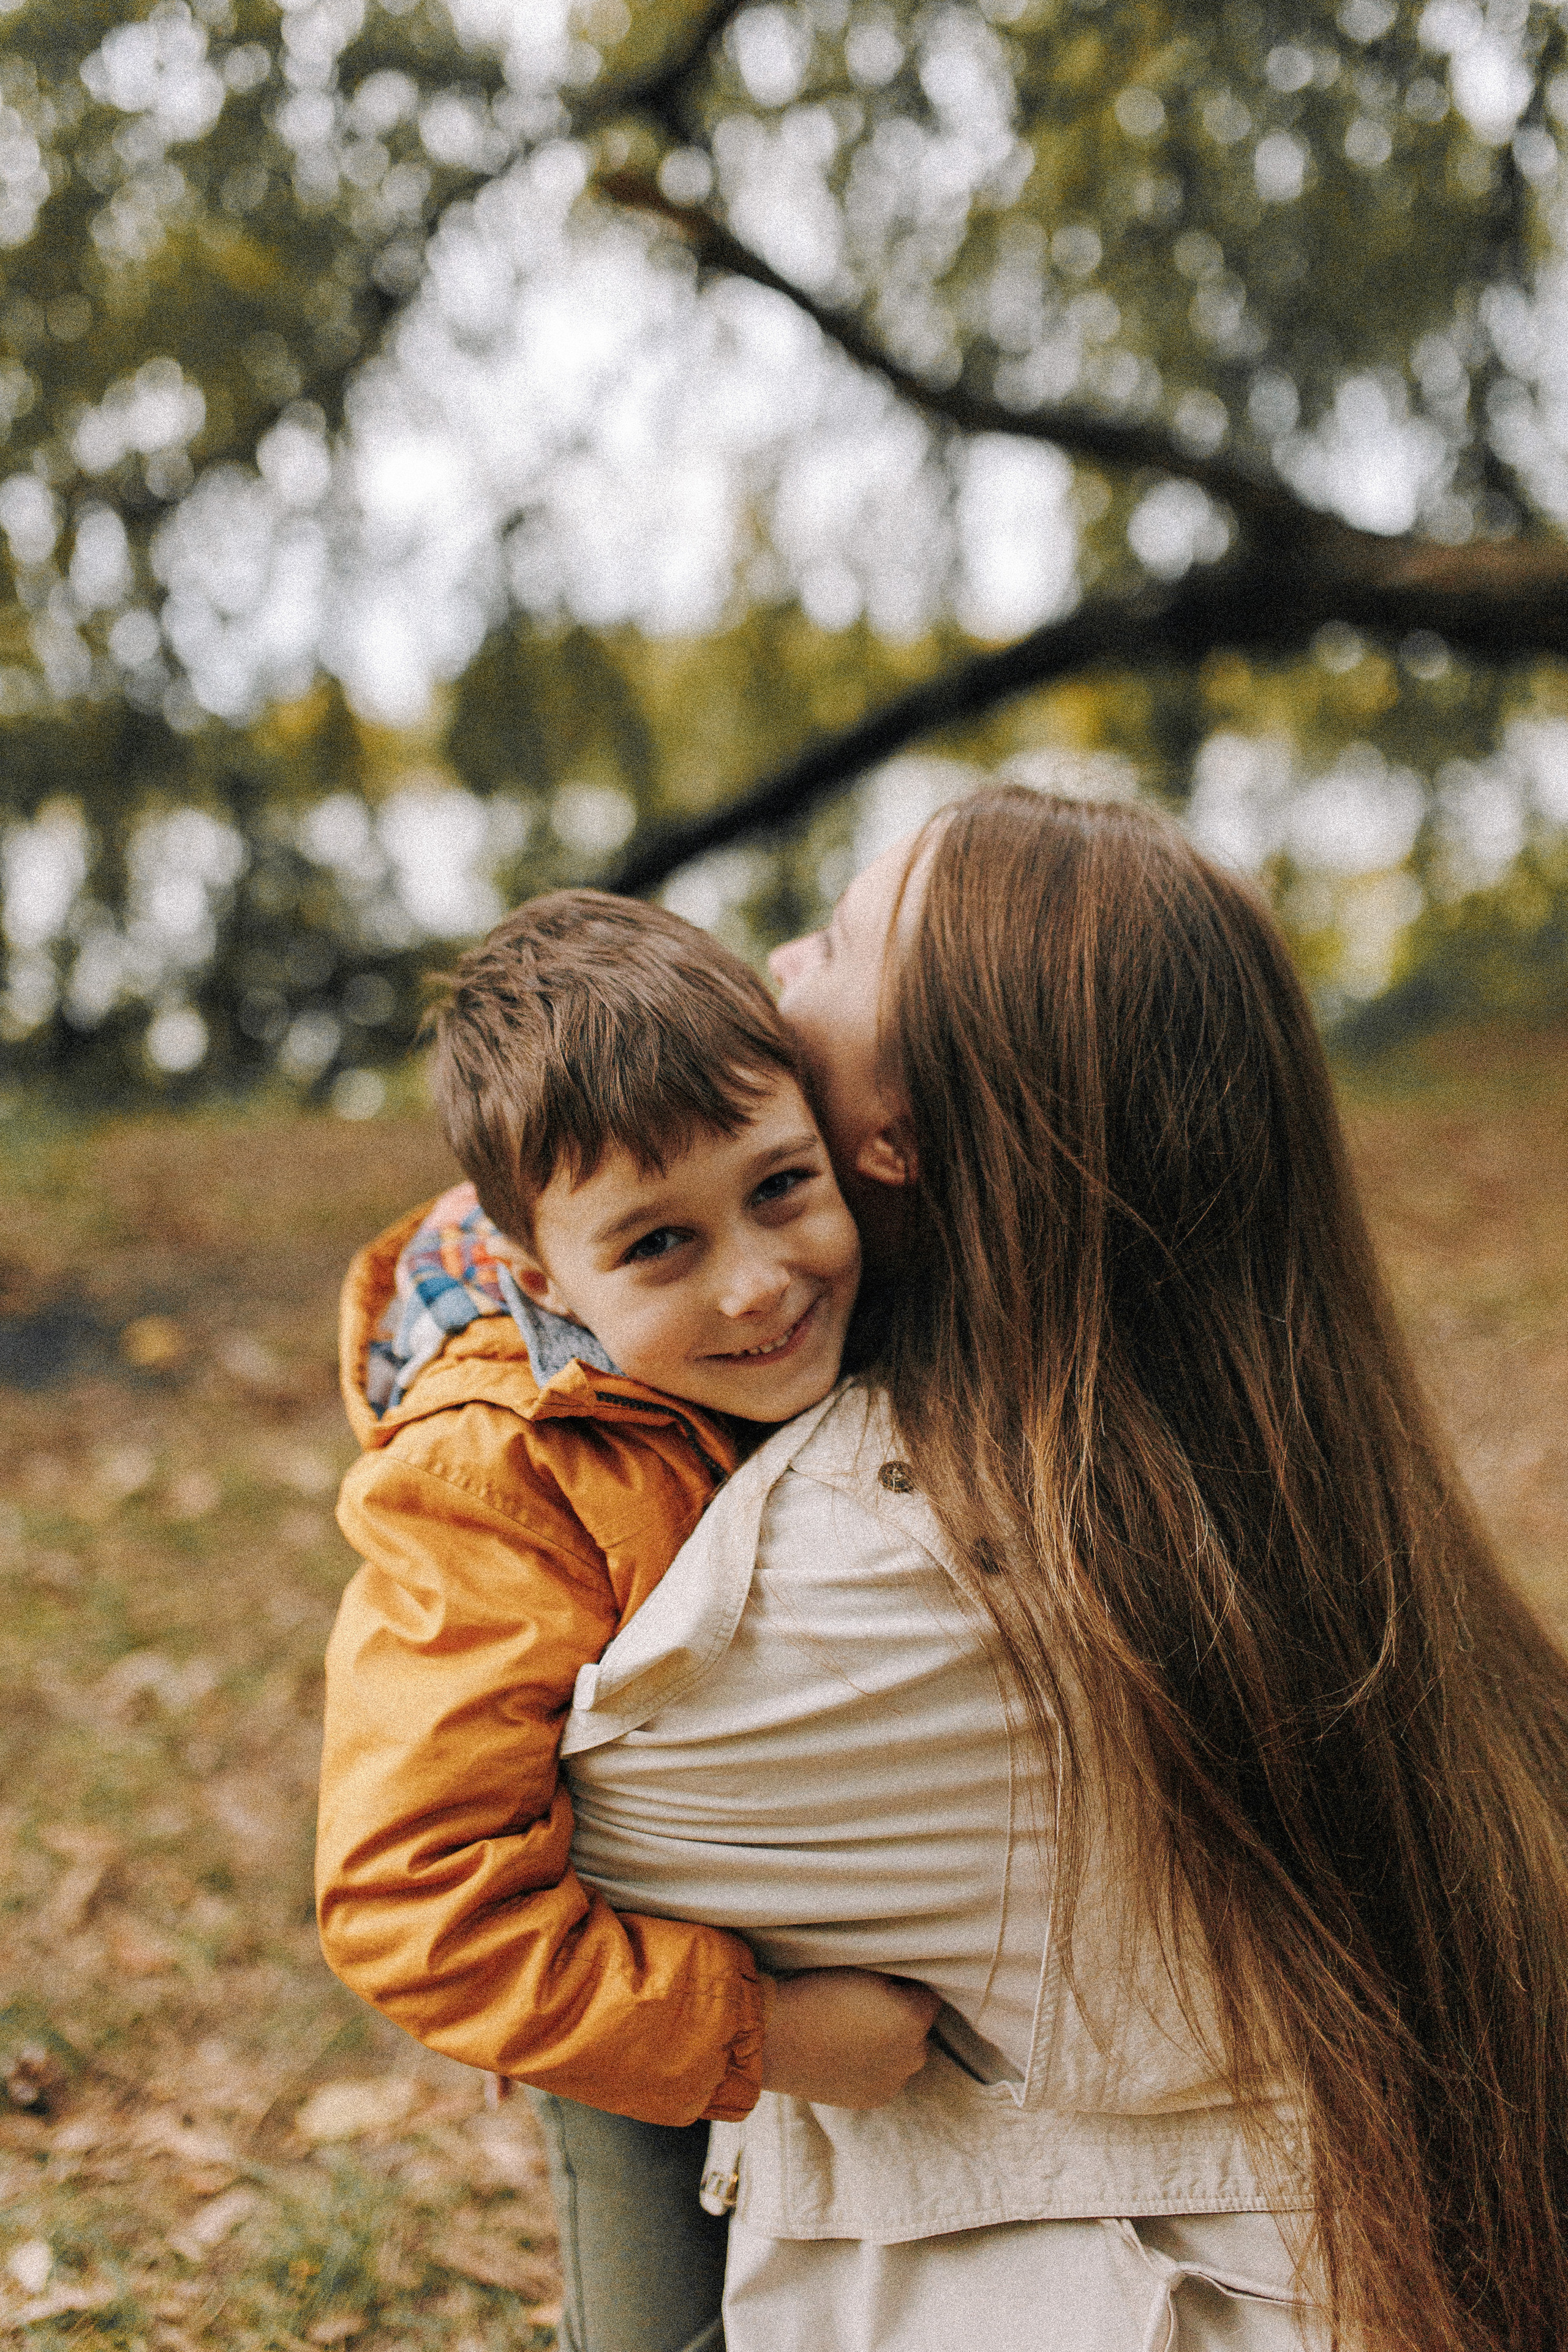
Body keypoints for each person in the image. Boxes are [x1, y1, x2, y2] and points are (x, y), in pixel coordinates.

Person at [553, 786, 1568, 2352]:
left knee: (627, 2029)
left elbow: (528, 1853)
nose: (771, 957)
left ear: (889, 1133)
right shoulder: (1266, 1451)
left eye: (825, 941)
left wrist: (535, 1336)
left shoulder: (876, 1563)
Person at [314, 889, 938, 2352]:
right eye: (657, 1247)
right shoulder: (492, 1478)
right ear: (548, 1283)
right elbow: (413, 1897)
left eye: (781, 1188)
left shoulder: (877, 1308)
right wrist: (764, 2039)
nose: (756, 1281)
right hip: (647, 2007)